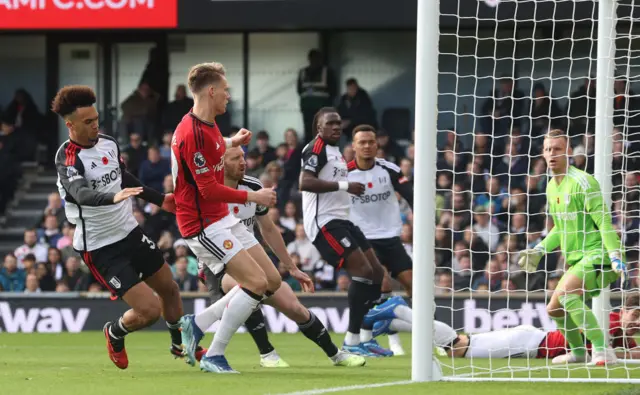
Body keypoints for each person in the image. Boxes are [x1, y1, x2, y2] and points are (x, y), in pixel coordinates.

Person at [51, 85, 183, 370]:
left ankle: (181, 346)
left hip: (129, 232)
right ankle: (115, 333)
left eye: (96, 118)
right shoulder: (68, 158)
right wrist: (112, 197)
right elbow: (82, 193)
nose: (95, 125)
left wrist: (160, 199)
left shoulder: (108, 142)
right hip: (100, 246)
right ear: (70, 125)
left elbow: (122, 175)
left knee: (170, 288)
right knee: (149, 311)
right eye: (88, 122)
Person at [197, 147, 366, 368]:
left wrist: (291, 267)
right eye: (236, 158)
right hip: (216, 264)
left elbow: (268, 229)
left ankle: (336, 355)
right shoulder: (208, 192)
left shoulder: (254, 187)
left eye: (243, 157)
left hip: (251, 257)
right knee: (250, 285)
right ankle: (267, 353)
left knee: (294, 308)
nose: (243, 162)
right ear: (221, 162)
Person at [171, 62, 278, 374]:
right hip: (202, 224)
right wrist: (253, 197)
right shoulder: (192, 133)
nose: (229, 97)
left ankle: (198, 322)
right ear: (212, 91)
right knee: (255, 283)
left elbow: (214, 148)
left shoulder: (208, 125)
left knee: (270, 281)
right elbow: (207, 189)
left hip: (219, 218)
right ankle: (214, 354)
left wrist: (232, 142)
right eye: (226, 91)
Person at [518, 129, 627, 365]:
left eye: (557, 149)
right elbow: (560, 228)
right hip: (579, 260)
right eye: (548, 150)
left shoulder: (583, 182)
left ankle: (602, 349)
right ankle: (578, 353)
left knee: (566, 295)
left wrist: (616, 254)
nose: (552, 154)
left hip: (601, 254)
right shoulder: (550, 187)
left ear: (568, 152)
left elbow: (603, 221)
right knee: (554, 310)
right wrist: (539, 249)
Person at [299, 107, 392, 357]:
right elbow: (304, 182)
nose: (336, 127)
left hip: (342, 219)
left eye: (339, 123)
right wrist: (345, 185)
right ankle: (352, 340)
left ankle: (363, 336)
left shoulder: (336, 151)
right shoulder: (315, 148)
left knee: (376, 273)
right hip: (324, 223)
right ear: (319, 128)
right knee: (362, 271)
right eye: (330, 123)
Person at [378, 292, 640, 361]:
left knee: (455, 347)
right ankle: (400, 309)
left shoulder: (625, 337)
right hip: (529, 344)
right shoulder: (610, 323)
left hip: (530, 341)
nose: (638, 323)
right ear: (624, 310)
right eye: (636, 315)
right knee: (456, 347)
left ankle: (394, 322)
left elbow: (633, 353)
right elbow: (587, 346)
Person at [347, 124, 414, 356]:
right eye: (362, 142)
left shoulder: (390, 169)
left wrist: (420, 220)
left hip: (391, 237)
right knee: (383, 284)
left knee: (415, 285)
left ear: (377, 145)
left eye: (370, 142)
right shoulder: (344, 174)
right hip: (364, 239)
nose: (366, 146)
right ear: (353, 146)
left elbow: (410, 194)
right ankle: (385, 339)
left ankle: (433, 337)